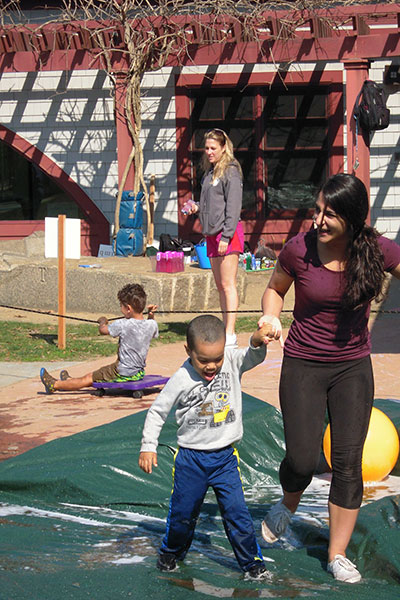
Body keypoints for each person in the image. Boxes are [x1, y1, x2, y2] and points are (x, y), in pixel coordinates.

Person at [258, 173, 400, 583]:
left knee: (348, 464)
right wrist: (270, 313)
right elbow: (275, 289)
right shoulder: (298, 249)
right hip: (303, 363)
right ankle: (287, 504)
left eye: (330, 214)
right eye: (318, 209)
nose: (318, 220)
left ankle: (337, 554)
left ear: (353, 220)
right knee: (302, 459)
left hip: (352, 367)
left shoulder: (375, 250)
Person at [138, 314, 279, 579]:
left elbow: (252, 356)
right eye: (203, 360)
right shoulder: (181, 378)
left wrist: (258, 342)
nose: (212, 366)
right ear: (188, 351)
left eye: (217, 359)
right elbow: (157, 412)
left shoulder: (232, 362)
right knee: (183, 513)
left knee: (237, 513)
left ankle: (252, 563)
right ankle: (171, 552)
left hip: (225, 459)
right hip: (191, 460)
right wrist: (148, 446)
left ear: (224, 348)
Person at [40, 283, 158, 394]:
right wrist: (151, 314)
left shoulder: (123, 324)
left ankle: (54, 385)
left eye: (121, 306)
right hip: (138, 372)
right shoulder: (151, 325)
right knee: (96, 375)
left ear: (128, 308)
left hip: (122, 371)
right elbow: (149, 325)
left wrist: (102, 321)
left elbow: (103, 331)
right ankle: (70, 381)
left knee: (89, 378)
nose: (120, 309)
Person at [184, 129, 244, 347]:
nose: (209, 152)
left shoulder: (231, 172)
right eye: (206, 148)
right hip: (210, 233)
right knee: (219, 285)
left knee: (228, 284)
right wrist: (196, 207)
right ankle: (225, 327)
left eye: (213, 148)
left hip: (227, 234)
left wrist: (226, 236)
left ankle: (230, 333)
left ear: (223, 148)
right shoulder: (209, 174)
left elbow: (234, 207)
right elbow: (211, 205)